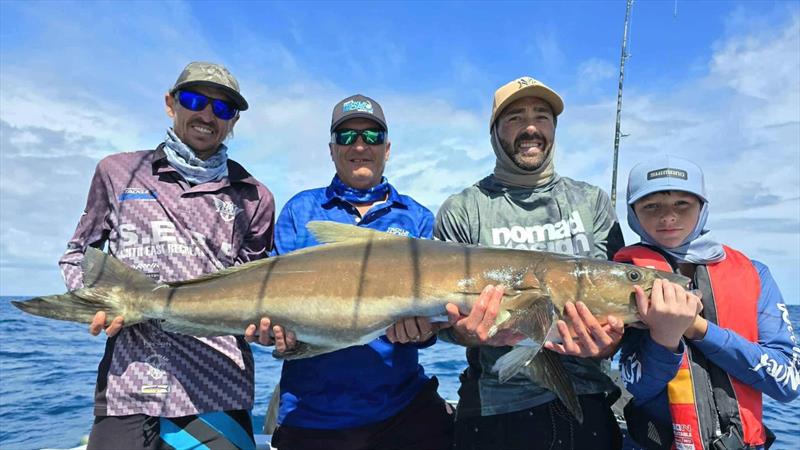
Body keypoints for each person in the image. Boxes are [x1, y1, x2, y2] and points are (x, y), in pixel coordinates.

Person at [59, 61, 275, 450]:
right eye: (194, 100)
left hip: (216, 389)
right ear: (170, 103)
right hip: (128, 385)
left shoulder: (254, 196)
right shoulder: (117, 171)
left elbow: (257, 288)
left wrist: (267, 327)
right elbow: (78, 254)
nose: (207, 114)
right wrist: (94, 298)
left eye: (222, 107)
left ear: (234, 120)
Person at [432, 76, 627, 450]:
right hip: (495, 410)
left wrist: (609, 344)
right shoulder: (463, 210)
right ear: (495, 132)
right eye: (515, 118)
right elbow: (438, 319)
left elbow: (619, 300)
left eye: (542, 116)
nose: (531, 127)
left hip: (588, 404)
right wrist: (463, 333)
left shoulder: (593, 203)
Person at [254, 94, 453, 450]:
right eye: (346, 136)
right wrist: (272, 332)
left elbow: (432, 316)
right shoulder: (301, 209)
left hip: (401, 411)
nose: (360, 145)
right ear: (332, 149)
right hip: (311, 415)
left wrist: (423, 331)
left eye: (372, 136)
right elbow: (273, 302)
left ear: (387, 148)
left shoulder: (417, 218)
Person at [615, 155, 799, 450]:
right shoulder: (621, 279)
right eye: (651, 206)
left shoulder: (755, 274)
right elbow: (638, 386)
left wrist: (698, 329)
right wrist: (664, 340)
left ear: (702, 207)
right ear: (633, 213)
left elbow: (788, 383)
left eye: (682, 204)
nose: (668, 216)